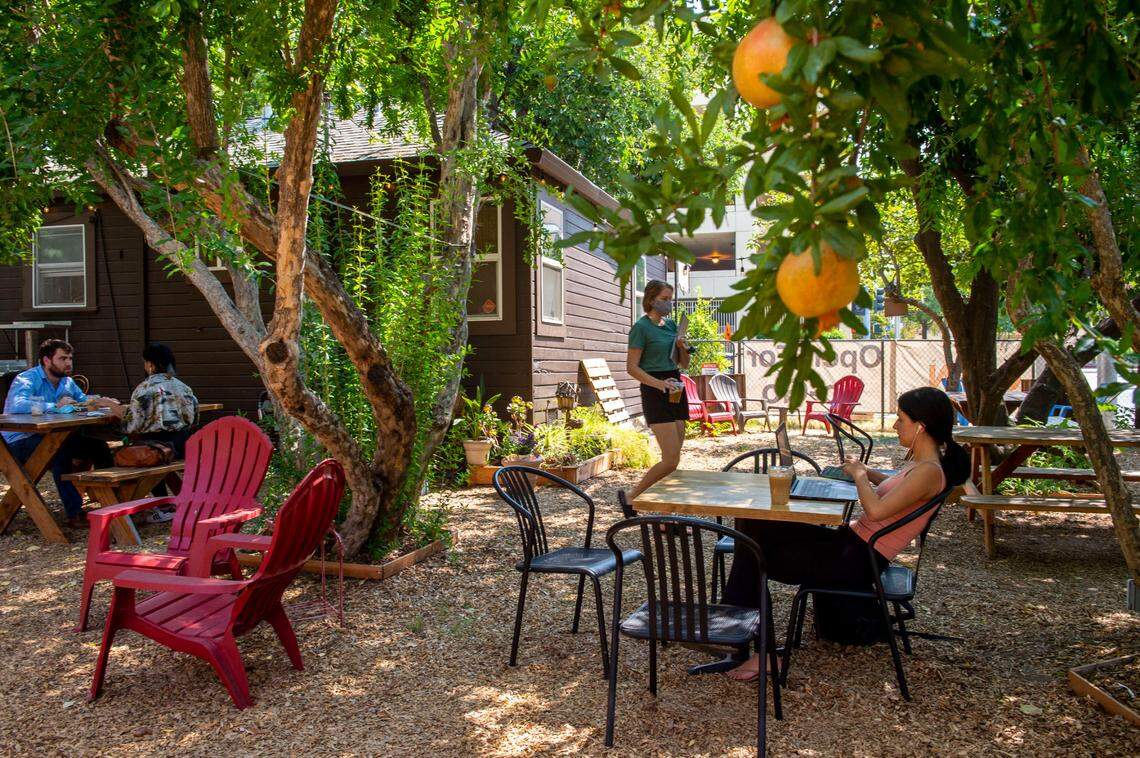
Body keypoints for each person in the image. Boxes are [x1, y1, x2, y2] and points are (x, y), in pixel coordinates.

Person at [722, 386, 969, 681]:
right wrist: (868, 472)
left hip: (855, 561)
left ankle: (754, 647)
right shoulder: (923, 465)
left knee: (753, 549)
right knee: (753, 525)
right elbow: (897, 486)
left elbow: (876, 511)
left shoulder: (929, 471)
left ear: (920, 427)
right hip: (851, 546)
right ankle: (733, 626)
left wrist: (860, 476)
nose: (894, 425)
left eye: (900, 419)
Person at [1, 339, 117, 528]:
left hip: (52, 437)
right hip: (19, 439)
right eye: (63, 358)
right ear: (47, 360)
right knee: (60, 453)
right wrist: (54, 406)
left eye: (70, 358)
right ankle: (75, 513)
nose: (69, 363)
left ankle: (115, 503)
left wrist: (100, 402)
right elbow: (17, 405)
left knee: (99, 447)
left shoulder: (67, 381)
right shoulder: (27, 379)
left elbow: (81, 401)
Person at [627, 279, 691, 499]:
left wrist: (683, 347)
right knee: (670, 459)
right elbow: (631, 368)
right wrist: (659, 384)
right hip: (655, 389)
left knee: (675, 459)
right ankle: (631, 497)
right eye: (664, 299)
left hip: (675, 385)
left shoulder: (672, 326)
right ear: (651, 300)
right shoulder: (641, 328)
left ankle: (663, 513)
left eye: (670, 299)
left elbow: (684, 364)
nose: (668, 304)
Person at [104, 343, 199, 458]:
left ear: (151, 365)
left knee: (111, 452)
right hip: (183, 448)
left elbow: (133, 424)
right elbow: (194, 420)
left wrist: (108, 404)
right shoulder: (184, 387)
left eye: (145, 362)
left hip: (156, 451)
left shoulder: (144, 389)